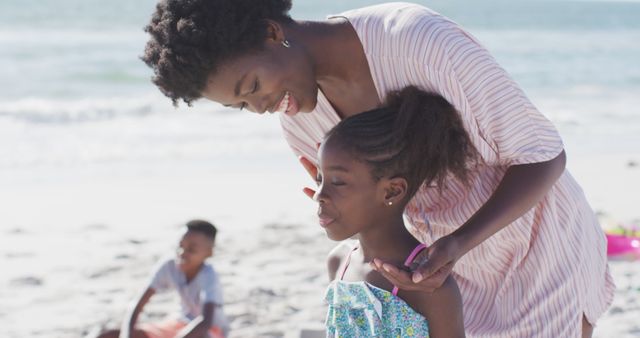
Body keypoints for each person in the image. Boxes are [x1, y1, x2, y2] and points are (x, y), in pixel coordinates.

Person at [141, 1, 614, 336]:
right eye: (242, 105)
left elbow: (543, 154)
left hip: (538, 244)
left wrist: (456, 243)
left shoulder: (414, 39)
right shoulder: (301, 124)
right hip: (445, 272)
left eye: (253, 85)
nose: (262, 106)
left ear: (271, 32)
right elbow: (370, 208)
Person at [319, 86, 466, 337]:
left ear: (392, 192)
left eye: (338, 182)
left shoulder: (429, 287)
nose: (319, 195)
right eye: (319, 179)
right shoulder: (338, 262)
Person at [97, 220, 229, 338]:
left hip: (209, 331)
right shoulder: (169, 265)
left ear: (209, 252)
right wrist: (127, 335)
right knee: (108, 335)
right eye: (180, 246)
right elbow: (137, 305)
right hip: (178, 324)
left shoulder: (209, 276)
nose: (182, 253)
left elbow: (206, 322)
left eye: (191, 249)